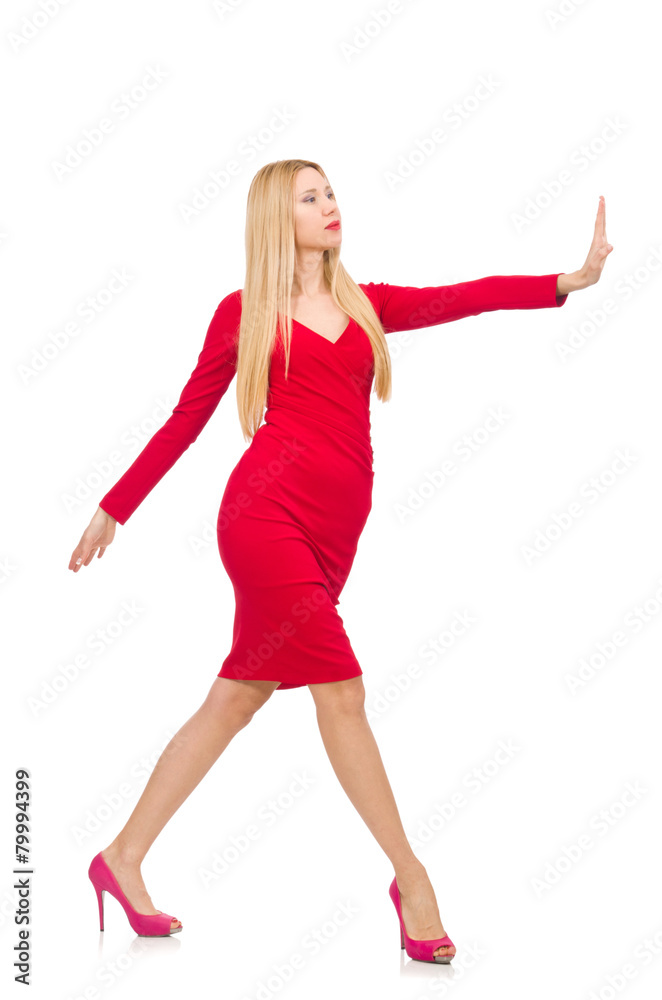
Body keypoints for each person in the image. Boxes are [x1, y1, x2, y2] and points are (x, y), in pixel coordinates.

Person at [70, 160, 612, 962]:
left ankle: (121, 858)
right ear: (274, 219)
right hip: (263, 518)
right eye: (311, 198)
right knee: (343, 690)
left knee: (236, 699)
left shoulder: (365, 307)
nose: (331, 207)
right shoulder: (243, 314)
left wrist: (567, 280)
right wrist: (115, 506)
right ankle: (412, 878)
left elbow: (464, 297)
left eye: (332, 194)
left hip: (332, 537)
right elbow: (185, 421)